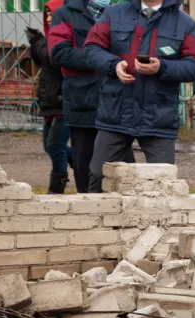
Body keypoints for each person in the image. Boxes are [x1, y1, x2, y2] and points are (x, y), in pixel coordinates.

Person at [82, 0, 195, 193]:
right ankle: (100, 221)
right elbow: (91, 49)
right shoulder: (113, 14)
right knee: (99, 175)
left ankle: (158, 223)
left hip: (158, 115)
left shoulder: (184, 23)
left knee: (163, 184)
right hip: (116, 112)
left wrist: (162, 67)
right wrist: (113, 65)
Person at [48, 0, 110, 193]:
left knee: (120, 164)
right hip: (82, 102)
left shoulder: (118, 13)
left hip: (115, 103)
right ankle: (88, 210)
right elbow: (58, 53)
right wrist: (100, 58)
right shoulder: (65, 14)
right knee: (84, 165)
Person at [27, 1, 72, 194]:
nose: (47, 18)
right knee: (49, 146)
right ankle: (83, 162)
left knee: (55, 146)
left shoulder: (66, 37)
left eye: (50, 14)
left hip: (63, 102)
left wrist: (37, 42)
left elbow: (53, 59)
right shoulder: (50, 39)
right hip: (52, 102)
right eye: (46, 15)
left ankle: (57, 188)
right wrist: (36, 44)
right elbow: (41, 60)